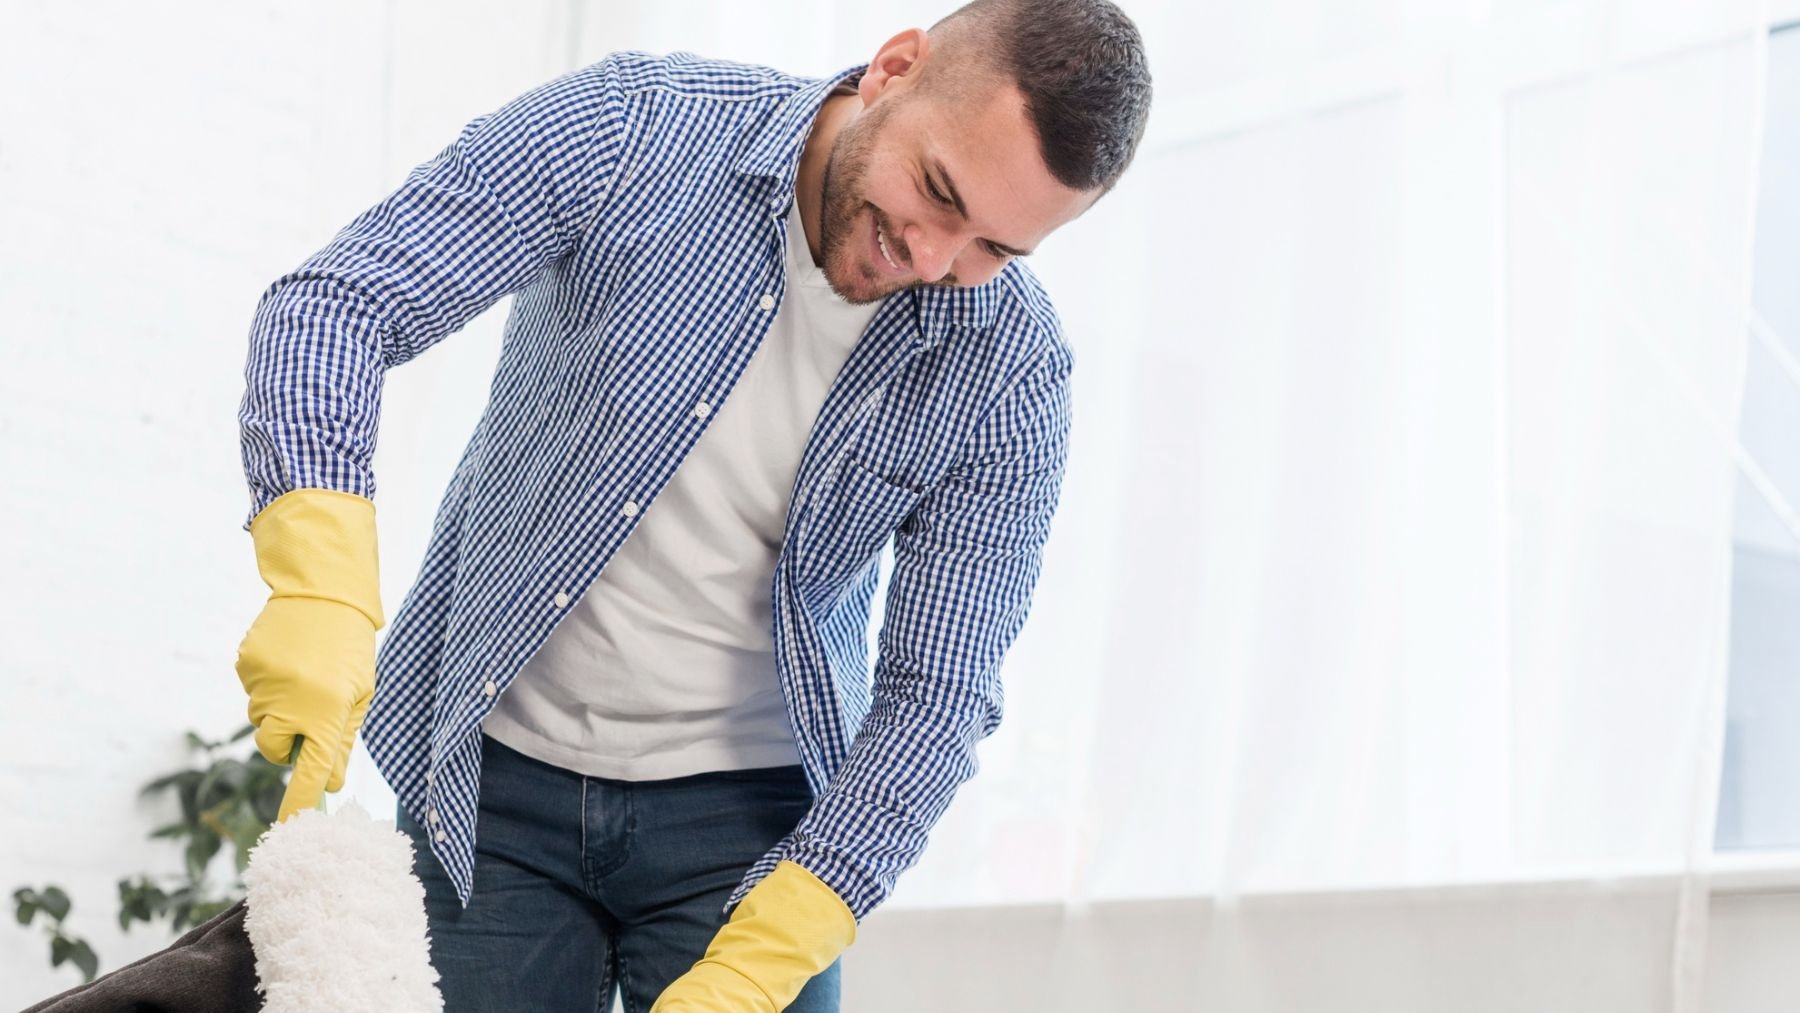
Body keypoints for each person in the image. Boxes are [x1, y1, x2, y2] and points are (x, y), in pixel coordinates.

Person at [232, 0, 1151, 1008]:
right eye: (937, 191)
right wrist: (318, 580)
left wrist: (793, 924)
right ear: (893, 70)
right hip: (496, 795)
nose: (933, 261)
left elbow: (936, 690)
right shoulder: (635, 130)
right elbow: (341, 304)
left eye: (993, 249)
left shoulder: (1010, 373)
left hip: (752, 829)